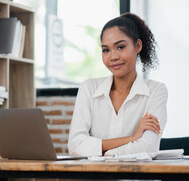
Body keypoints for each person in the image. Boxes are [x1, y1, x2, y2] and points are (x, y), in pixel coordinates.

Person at [67, 12, 167, 156]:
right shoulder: (89, 88)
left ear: (137, 46)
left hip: (135, 177)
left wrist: (102, 151)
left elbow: (148, 146)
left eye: (120, 47)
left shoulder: (156, 91)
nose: (113, 57)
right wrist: (132, 138)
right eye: (106, 50)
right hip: (93, 178)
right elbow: (75, 146)